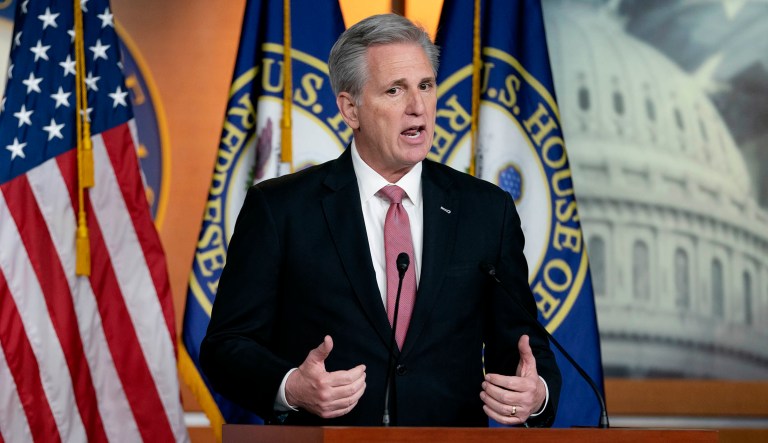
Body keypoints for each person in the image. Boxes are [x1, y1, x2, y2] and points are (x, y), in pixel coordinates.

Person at [200, 13, 561, 427]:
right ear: (349, 109)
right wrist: (290, 387)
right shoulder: (281, 209)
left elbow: (525, 349)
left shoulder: (485, 210)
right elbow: (226, 345)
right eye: (395, 90)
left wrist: (535, 395)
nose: (417, 107)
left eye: (426, 86)